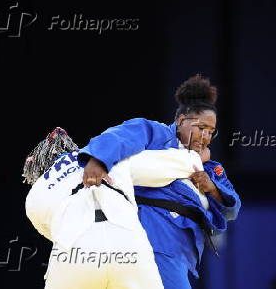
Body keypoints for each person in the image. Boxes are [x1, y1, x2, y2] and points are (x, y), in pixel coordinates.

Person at [77, 74, 241, 288]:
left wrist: (212, 189)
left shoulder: (211, 168)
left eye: (211, 132)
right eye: (201, 128)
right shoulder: (156, 134)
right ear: (181, 121)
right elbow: (121, 136)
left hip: (185, 248)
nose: (206, 137)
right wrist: (98, 160)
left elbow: (232, 209)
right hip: (155, 232)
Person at [23, 127, 208, 289]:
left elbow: (56, 233)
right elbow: (168, 164)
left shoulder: (35, 195)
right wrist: (194, 158)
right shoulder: (104, 155)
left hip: (76, 253)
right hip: (129, 244)